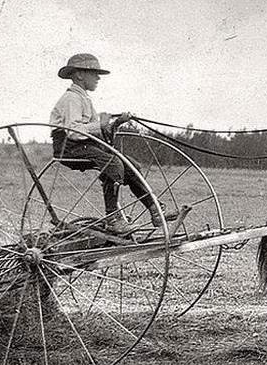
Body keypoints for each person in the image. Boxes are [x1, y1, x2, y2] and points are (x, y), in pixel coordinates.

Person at [49, 53, 178, 235]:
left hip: (84, 145)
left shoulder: (84, 98)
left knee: (130, 165)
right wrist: (100, 124)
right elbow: (74, 131)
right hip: (68, 147)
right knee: (112, 162)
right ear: (79, 75)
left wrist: (116, 123)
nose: (98, 78)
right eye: (94, 73)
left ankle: (155, 209)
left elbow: (96, 133)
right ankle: (113, 219)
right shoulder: (72, 99)